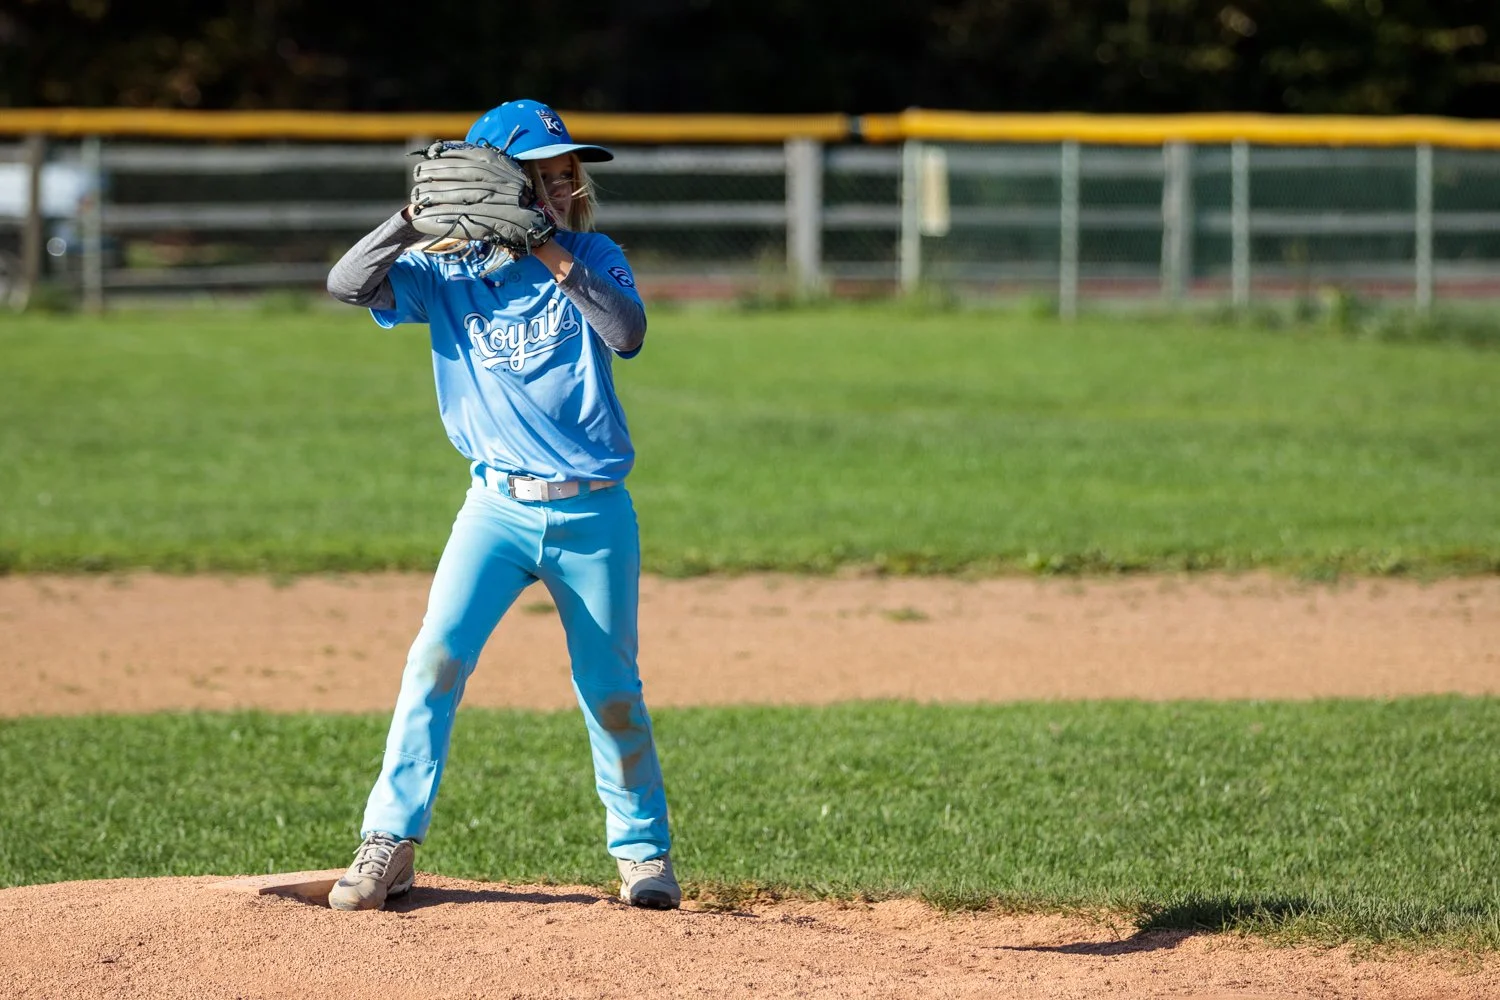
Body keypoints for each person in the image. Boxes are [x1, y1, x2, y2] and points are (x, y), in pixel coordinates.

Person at [323, 99, 678, 911]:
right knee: (435, 662)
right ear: (494, 181)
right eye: (539, 175)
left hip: (593, 514)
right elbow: (348, 284)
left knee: (610, 686)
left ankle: (643, 856)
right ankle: (388, 842)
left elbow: (626, 332)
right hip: (494, 509)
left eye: (563, 175)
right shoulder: (445, 275)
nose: (557, 185)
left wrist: (545, 241)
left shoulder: (591, 252)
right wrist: (414, 219)